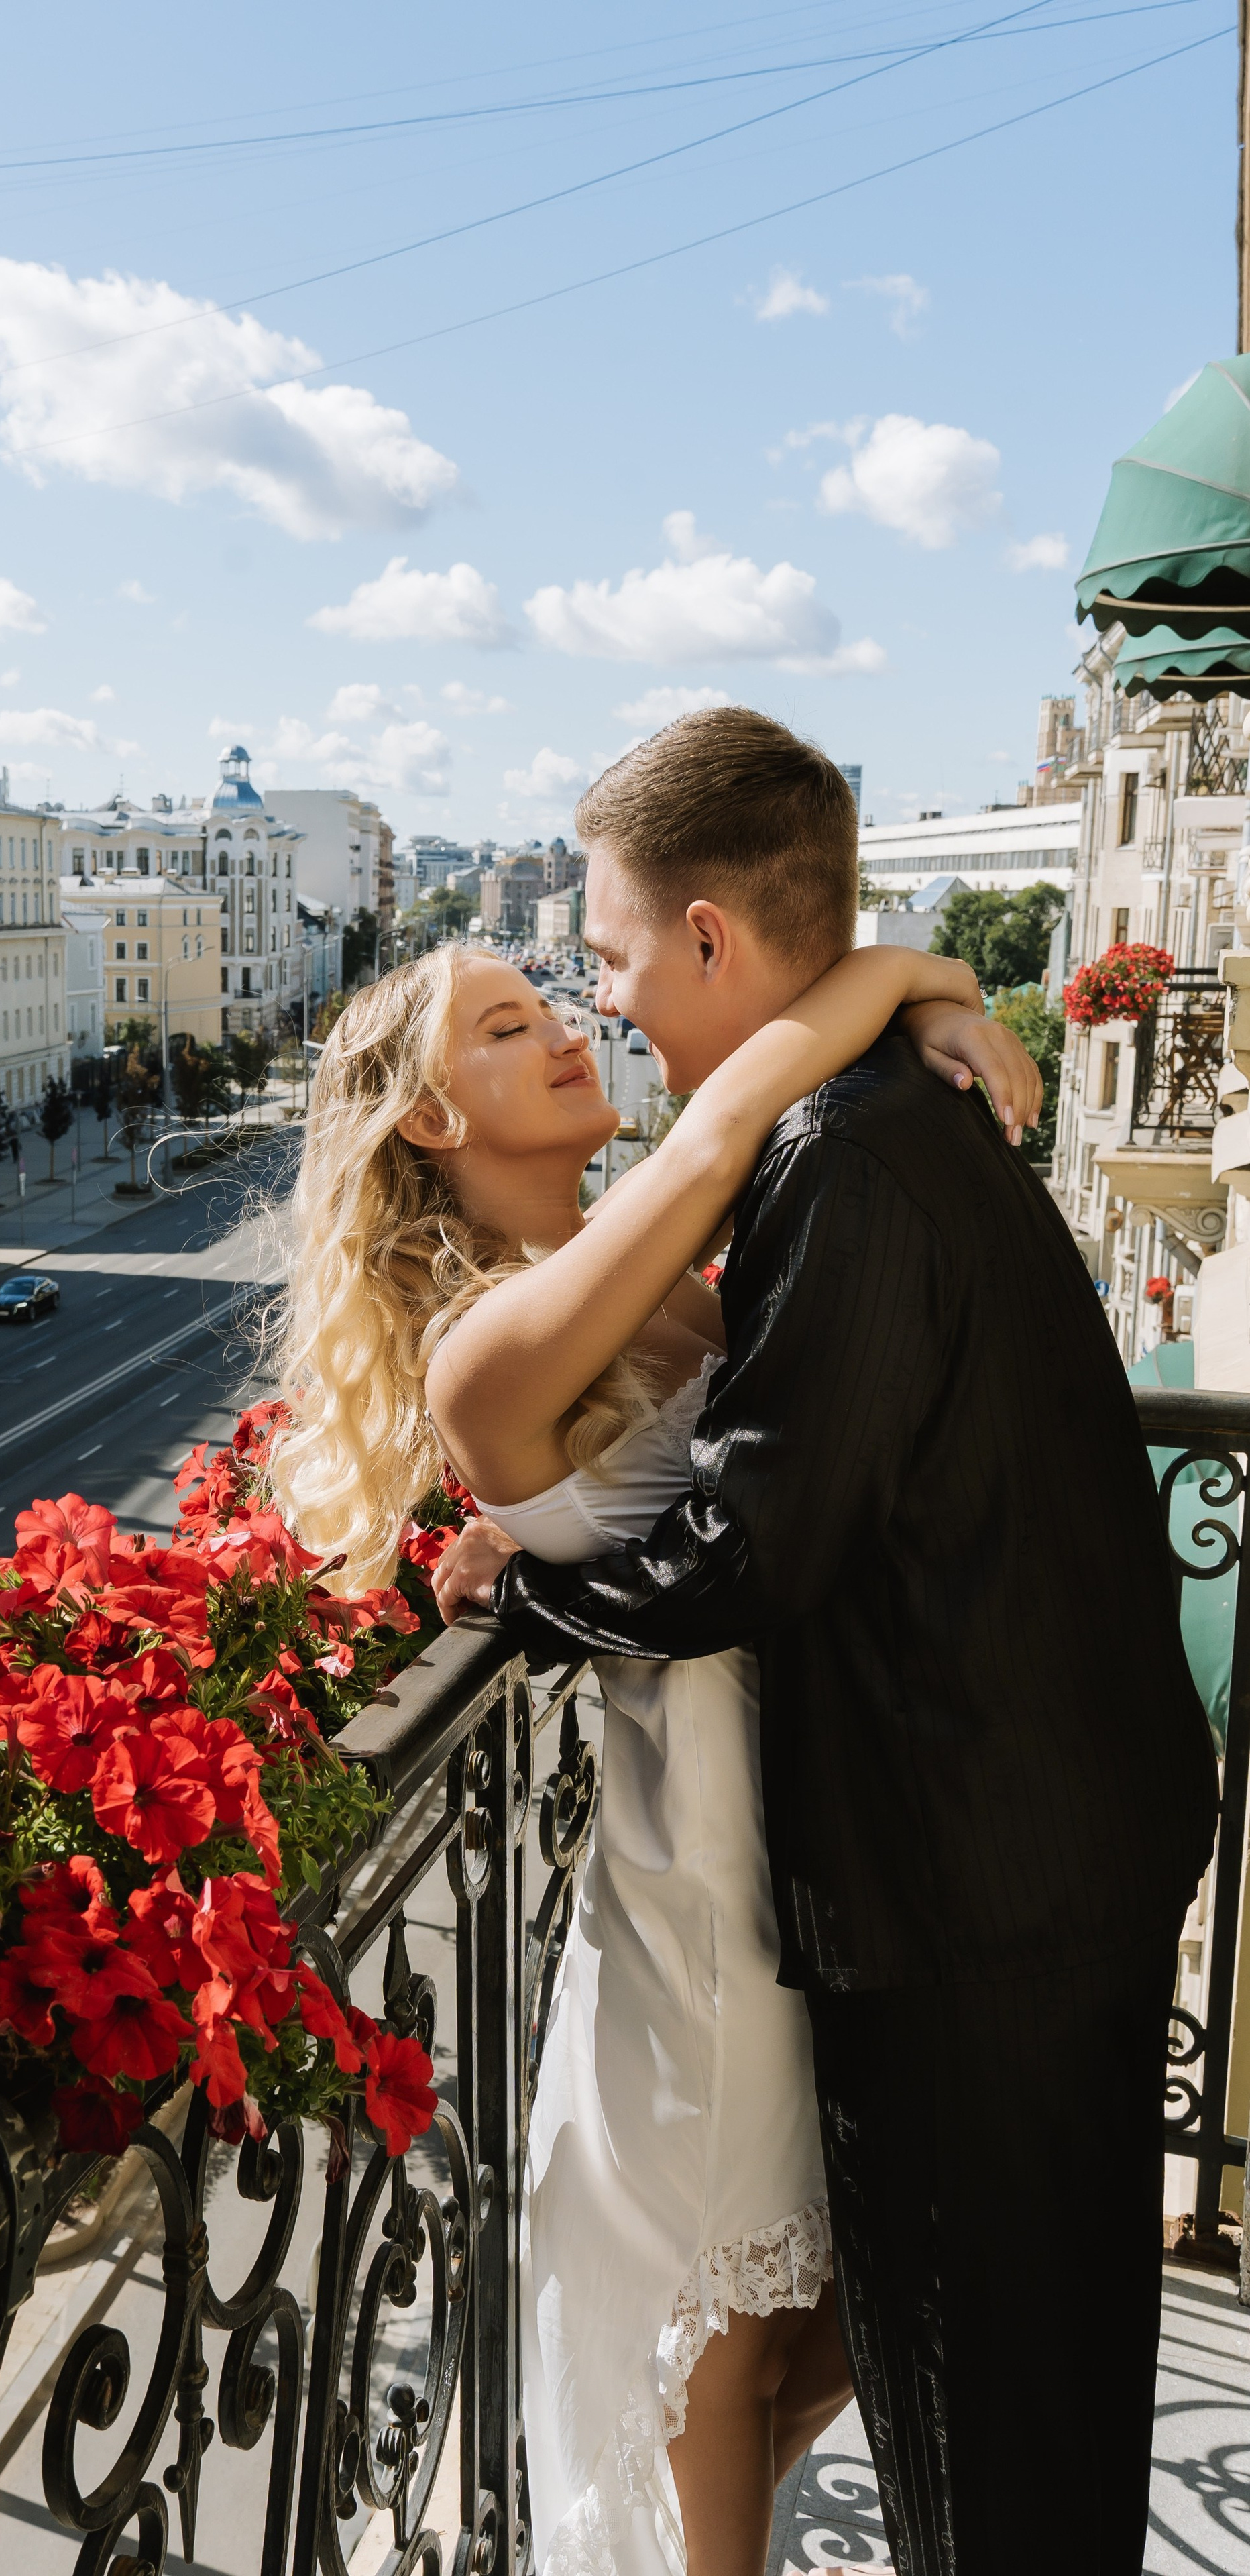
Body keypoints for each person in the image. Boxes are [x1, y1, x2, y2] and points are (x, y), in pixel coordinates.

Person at [435, 708, 1220, 2576]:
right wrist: (924, 987)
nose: (604, 1000)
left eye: (614, 956)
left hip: (981, 1899)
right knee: (1017, 2392)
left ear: (712, 939)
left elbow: (745, 1548)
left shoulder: (840, 1159)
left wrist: (514, 1587)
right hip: (1034, 1861)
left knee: (989, 2438)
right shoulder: (865, 1125)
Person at [271, 906, 1039, 2576]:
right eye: (499, 1029)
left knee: (814, 2343)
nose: (561, 1027)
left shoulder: (646, 1285)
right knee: (738, 2363)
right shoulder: (494, 1341)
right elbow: (724, 1122)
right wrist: (928, 978)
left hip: (790, 1858)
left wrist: (930, 1000)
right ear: (426, 1123)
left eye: (548, 998)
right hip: (705, 1924)